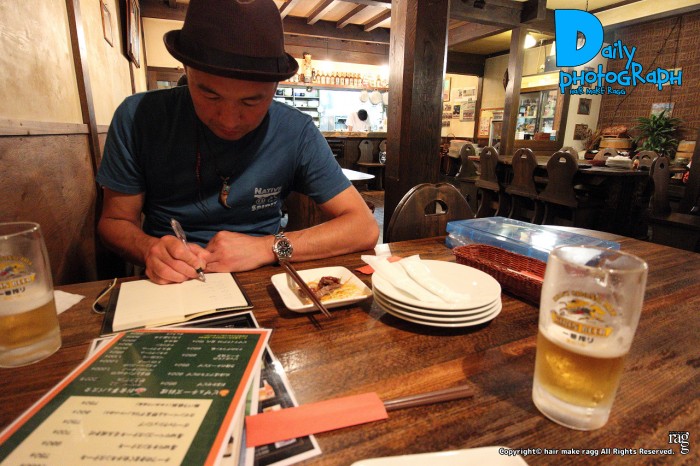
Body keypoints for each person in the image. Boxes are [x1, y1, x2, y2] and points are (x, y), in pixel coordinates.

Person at [96, 0, 379, 285]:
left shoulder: (296, 131)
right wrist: (149, 249)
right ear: (186, 69)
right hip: (168, 282)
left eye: (251, 101)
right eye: (210, 95)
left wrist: (267, 247)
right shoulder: (138, 117)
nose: (229, 121)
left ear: (276, 87)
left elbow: (364, 228)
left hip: (264, 279)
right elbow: (115, 222)